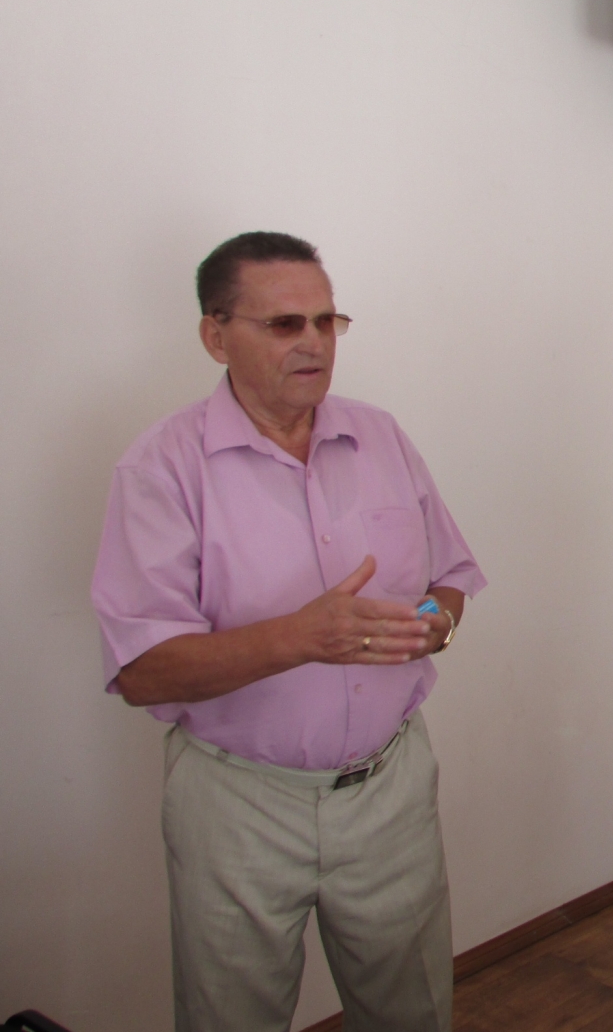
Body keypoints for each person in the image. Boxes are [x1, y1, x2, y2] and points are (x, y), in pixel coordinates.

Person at [91, 232, 486, 1032]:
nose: (314, 341)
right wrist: (302, 636)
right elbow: (142, 672)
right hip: (238, 801)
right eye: (283, 324)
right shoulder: (162, 467)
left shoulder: (382, 436)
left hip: (391, 788)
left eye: (326, 320)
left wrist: (435, 626)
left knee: (412, 1011)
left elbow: (450, 575)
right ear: (215, 336)